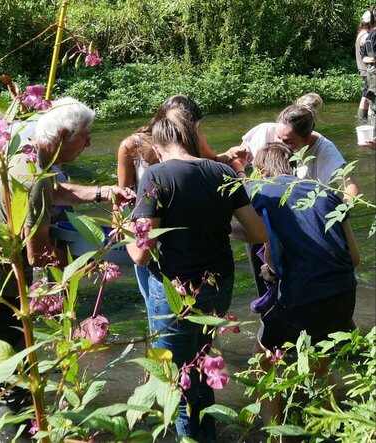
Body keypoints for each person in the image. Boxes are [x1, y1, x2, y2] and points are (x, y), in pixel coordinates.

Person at [0, 97, 135, 409]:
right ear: (65, 135)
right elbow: (37, 255)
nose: (89, 144)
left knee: (3, 366)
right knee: (11, 378)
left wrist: (101, 193)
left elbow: (55, 192)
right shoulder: (34, 179)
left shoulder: (22, 156)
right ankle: (14, 428)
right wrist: (88, 267)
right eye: (85, 137)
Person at [126, 107, 267, 442]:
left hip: (177, 292)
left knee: (175, 376)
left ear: (158, 148)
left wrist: (124, 232)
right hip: (219, 284)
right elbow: (257, 233)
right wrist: (220, 226)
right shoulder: (222, 171)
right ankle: (207, 434)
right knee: (202, 364)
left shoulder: (156, 175)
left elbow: (141, 253)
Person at [248, 142, 360, 425]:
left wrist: (269, 270)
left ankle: (273, 432)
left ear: (258, 170)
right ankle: (335, 422)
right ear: (294, 166)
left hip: (303, 297)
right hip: (344, 293)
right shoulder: (326, 192)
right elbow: (355, 257)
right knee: (320, 360)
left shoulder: (260, 190)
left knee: (263, 361)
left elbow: (266, 245)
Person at [117, 95, 251, 311]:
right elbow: (121, 194)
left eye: (196, 129)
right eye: (193, 127)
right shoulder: (132, 145)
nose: (192, 134)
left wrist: (232, 156)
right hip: (148, 231)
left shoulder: (195, 138)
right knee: (155, 300)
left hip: (185, 230)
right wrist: (121, 226)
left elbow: (211, 161)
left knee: (197, 308)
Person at [235, 93, 360, 299]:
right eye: (278, 137)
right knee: (266, 283)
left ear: (307, 137)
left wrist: (337, 218)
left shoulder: (324, 149)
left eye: (288, 141)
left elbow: (350, 188)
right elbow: (235, 157)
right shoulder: (265, 132)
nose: (279, 143)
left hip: (302, 225)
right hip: (264, 217)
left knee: (304, 284)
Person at [356, 10, 375, 120]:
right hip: (367, 69)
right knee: (367, 95)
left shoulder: (361, 34)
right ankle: (362, 118)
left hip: (364, 69)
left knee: (367, 94)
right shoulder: (366, 36)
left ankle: (362, 118)